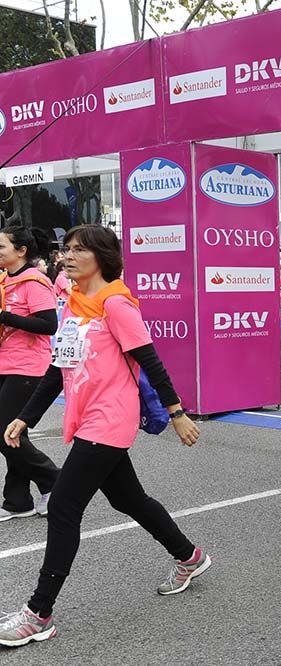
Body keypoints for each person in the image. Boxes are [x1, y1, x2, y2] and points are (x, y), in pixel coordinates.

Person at [0, 225, 206, 647]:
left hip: (110, 419)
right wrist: (25, 417)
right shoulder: (73, 304)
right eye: (67, 249)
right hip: (87, 417)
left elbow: (150, 360)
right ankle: (190, 557)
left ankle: (39, 613)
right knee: (128, 498)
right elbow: (58, 369)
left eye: (79, 250)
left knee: (62, 507)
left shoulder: (115, 303)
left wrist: (178, 412)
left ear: (102, 256)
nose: (68, 256)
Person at [0, 226, 60, 523]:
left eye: (1, 247)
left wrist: (6, 317)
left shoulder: (34, 281)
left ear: (21, 251)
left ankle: (53, 480)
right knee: (12, 434)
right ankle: (17, 500)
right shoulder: (3, 279)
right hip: (4, 363)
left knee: (5, 431)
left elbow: (49, 325)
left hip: (27, 366)